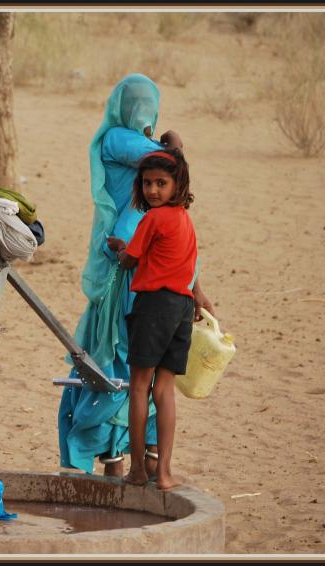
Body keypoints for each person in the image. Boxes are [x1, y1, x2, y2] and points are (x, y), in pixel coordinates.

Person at [58, 74, 214, 479]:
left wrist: (196, 288)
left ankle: (139, 460)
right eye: (138, 104)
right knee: (113, 363)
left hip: (148, 274)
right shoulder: (115, 140)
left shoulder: (163, 208)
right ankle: (114, 456)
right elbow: (172, 161)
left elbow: (171, 172)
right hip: (122, 276)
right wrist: (173, 143)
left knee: (135, 370)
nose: (142, 112)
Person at [111, 148, 196, 490]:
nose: (153, 191)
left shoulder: (154, 219)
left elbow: (129, 260)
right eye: (147, 184)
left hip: (155, 306)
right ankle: (164, 473)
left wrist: (119, 248)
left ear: (178, 184)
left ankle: (136, 470)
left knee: (139, 387)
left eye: (161, 183)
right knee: (164, 391)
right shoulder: (184, 219)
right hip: (182, 308)